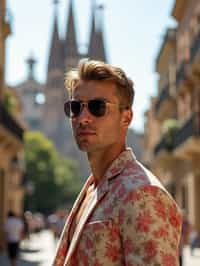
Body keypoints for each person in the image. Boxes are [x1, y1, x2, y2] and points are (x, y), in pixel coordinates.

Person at [53, 59, 182, 266]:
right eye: (75, 107)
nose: (83, 118)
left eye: (98, 107)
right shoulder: (93, 189)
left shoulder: (143, 193)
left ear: (126, 118)